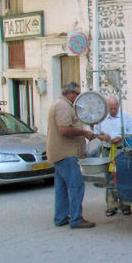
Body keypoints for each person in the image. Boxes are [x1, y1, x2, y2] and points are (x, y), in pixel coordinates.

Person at [46, 82, 96, 229]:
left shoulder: (61, 104)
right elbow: (64, 129)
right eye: (77, 94)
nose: (78, 97)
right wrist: (84, 133)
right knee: (76, 186)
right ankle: (76, 218)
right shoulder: (62, 106)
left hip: (59, 153)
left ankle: (61, 217)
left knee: (61, 187)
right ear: (69, 93)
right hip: (66, 153)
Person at [93, 95, 132, 217]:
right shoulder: (102, 118)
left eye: (115, 108)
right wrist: (103, 137)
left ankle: (125, 204)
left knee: (122, 177)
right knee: (109, 178)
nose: (113, 110)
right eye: (111, 108)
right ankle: (111, 205)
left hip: (121, 150)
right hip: (108, 150)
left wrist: (121, 138)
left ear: (118, 106)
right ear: (107, 107)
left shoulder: (125, 117)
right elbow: (95, 133)